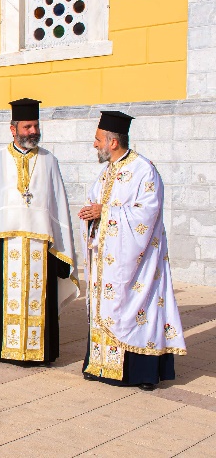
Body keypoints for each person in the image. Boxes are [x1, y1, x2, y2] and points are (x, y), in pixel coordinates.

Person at [0, 98, 78, 365]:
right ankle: (2, 347)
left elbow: (58, 205)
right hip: (7, 244)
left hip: (41, 245)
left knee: (41, 298)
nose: (33, 132)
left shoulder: (49, 160)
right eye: (27, 126)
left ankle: (40, 351)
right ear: (13, 129)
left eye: (35, 126)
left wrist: (63, 250)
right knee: (4, 296)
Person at [78, 111, 186, 390]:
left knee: (135, 306)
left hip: (136, 261)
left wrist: (106, 211)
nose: (94, 145)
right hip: (106, 257)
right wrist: (91, 214)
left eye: (97, 140)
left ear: (112, 142)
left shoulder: (143, 169)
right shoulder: (106, 172)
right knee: (106, 305)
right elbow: (97, 203)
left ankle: (141, 372)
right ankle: (101, 365)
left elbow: (147, 214)